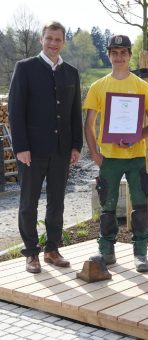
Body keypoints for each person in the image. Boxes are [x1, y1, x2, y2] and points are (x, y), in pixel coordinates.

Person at [8, 21, 83, 274]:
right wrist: (20, 147)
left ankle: (52, 249)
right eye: (49, 38)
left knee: (57, 202)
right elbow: (15, 111)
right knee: (29, 203)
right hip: (31, 151)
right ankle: (31, 253)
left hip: (61, 150)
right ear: (42, 40)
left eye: (58, 39)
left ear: (63, 42)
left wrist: (76, 145)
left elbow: (75, 113)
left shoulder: (71, 72)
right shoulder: (25, 68)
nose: (53, 43)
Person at [83, 34, 148, 272]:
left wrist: (137, 136)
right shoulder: (98, 86)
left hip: (136, 157)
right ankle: (107, 251)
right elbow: (89, 123)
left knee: (141, 206)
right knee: (108, 206)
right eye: (114, 52)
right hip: (109, 158)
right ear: (109, 54)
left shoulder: (142, 86)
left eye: (123, 52)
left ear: (130, 56)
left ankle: (141, 254)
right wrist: (94, 153)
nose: (119, 56)